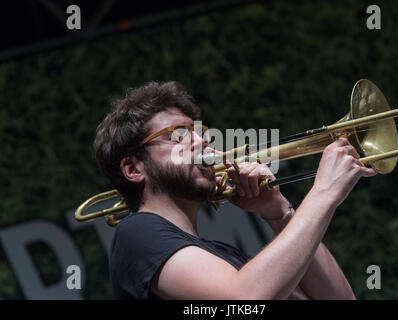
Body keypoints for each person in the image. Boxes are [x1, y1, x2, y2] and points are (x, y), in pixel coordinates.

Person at [93, 81, 378, 300]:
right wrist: (324, 193)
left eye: (197, 132)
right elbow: (243, 299)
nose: (200, 142)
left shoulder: (222, 255)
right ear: (133, 169)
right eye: (177, 135)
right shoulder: (137, 232)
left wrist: (280, 212)